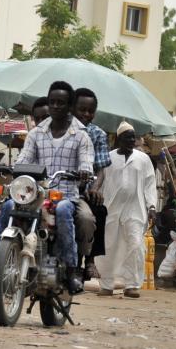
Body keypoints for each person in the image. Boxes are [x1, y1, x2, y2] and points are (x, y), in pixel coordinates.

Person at [0, 81, 93, 296]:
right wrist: (15, 168)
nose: (55, 106)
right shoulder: (36, 133)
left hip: (65, 195)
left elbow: (86, 163)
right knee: (8, 206)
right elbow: (25, 159)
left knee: (64, 210)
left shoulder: (81, 135)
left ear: (70, 106)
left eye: (61, 103)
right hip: (35, 195)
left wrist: (83, 171)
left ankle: (72, 271)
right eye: (52, 102)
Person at [95, 122, 156, 298]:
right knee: (108, 246)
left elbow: (150, 184)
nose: (132, 140)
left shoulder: (143, 159)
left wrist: (151, 206)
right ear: (118, 139)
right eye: (127, 137)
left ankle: (132, 285)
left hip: (135, 209)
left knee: (136, 245)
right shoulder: (108, 158)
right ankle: (106, 285)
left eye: (133, 136)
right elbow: (99, 182)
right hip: (111, 209)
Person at [74, 87, 110, 280]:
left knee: (99, 210)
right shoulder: (58, 129)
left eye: (90, 110)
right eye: (82, 109)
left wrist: (95, 188)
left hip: (83, 190)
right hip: (56, 188)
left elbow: (101, 168)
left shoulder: (97, 134)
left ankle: (90, 260)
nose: (86, 114)